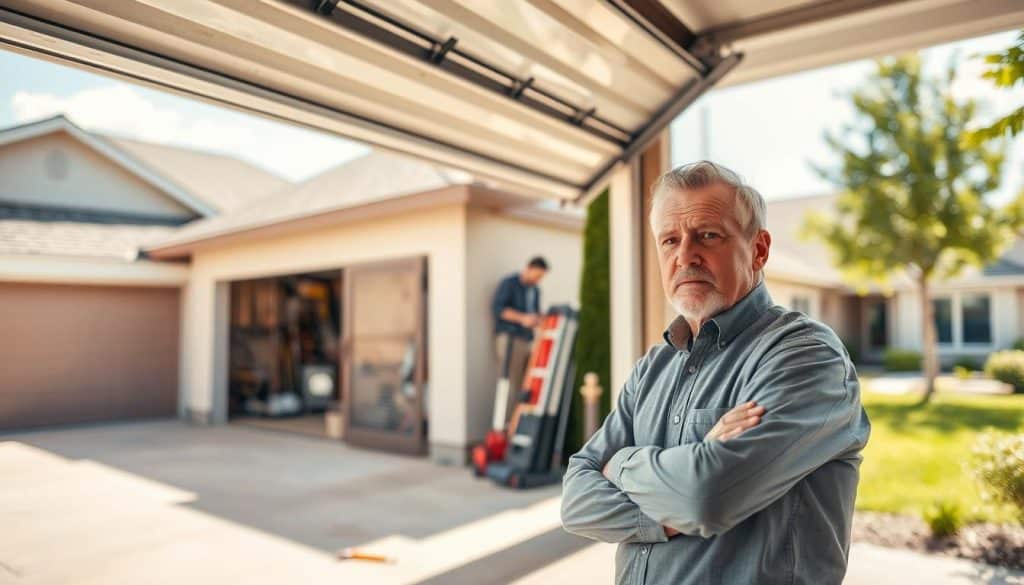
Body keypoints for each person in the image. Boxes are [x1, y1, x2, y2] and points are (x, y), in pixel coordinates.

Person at [561, 161, 871, 585]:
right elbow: (576, 501)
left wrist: (620, 462)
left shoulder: (806, 358)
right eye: (670, 240)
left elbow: (705, 497)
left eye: (708, 235)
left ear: (759, 249)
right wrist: (678, 492)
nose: (685, 255)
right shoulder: (654, 366)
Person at [491, 256, 548, 426]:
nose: (538, 280)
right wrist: (523, 318)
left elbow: (535, 313)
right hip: (510, 339)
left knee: (526, 384)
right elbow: (498, 309)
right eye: (537, 276)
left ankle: (520, 424)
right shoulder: (509, 284)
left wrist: (539, 320)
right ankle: (507, 426)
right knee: (511, 383)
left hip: (528, 339)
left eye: (541, 277)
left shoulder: (535, 290)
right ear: (528, 268)